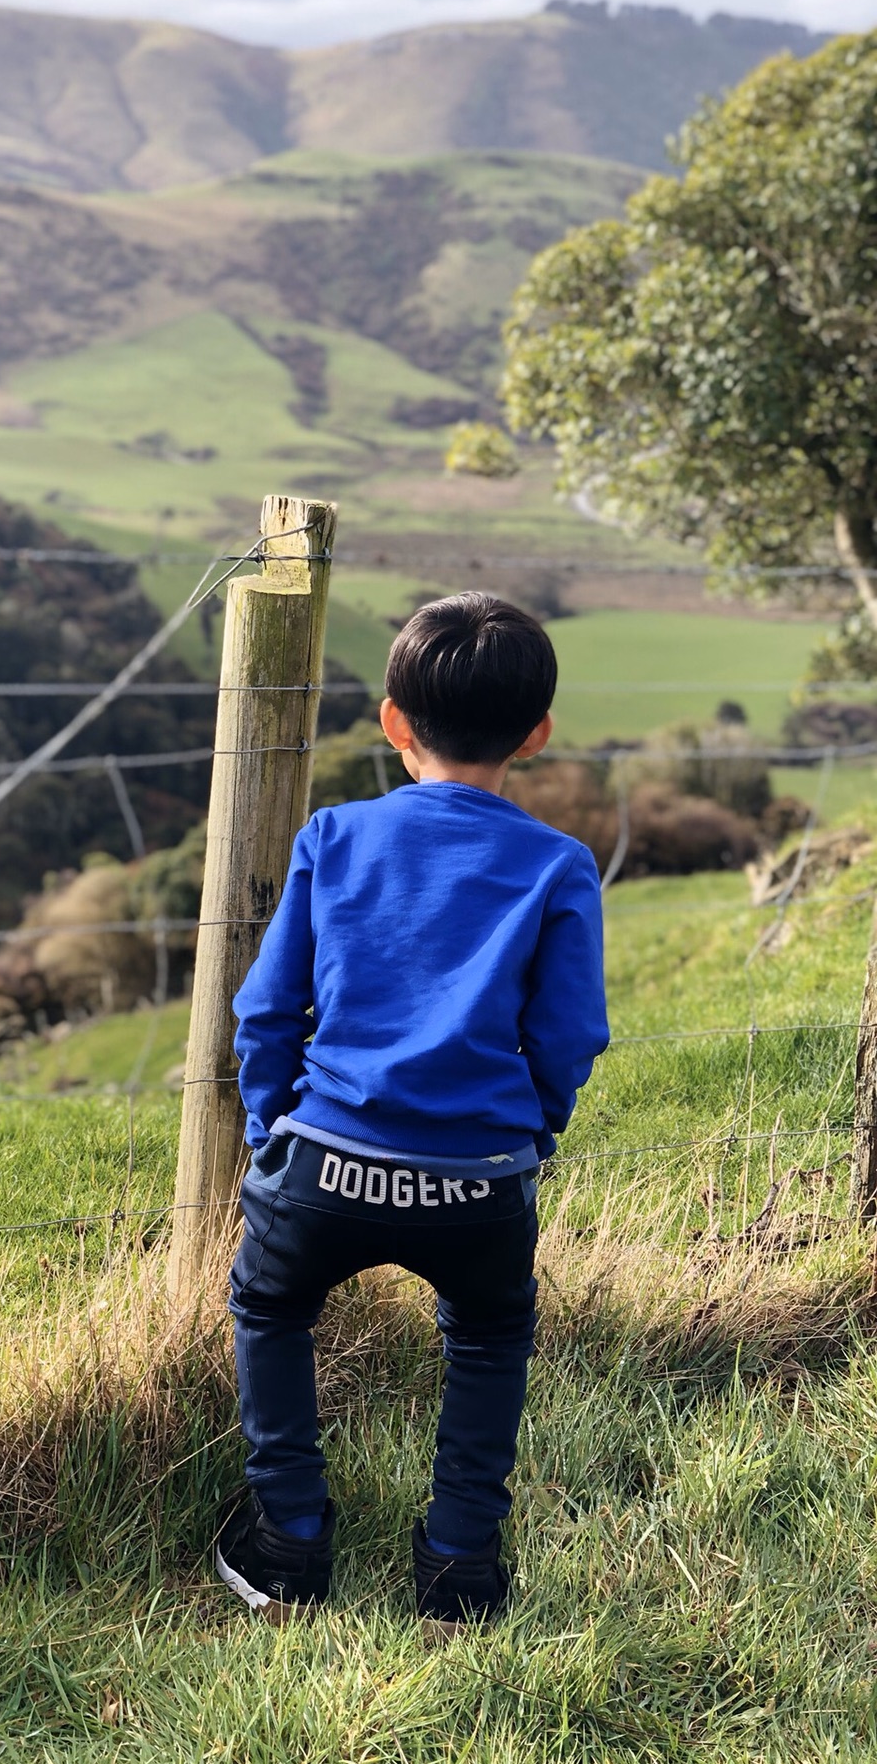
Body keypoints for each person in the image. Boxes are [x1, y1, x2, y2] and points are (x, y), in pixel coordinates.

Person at [214, 592, 608, 1628]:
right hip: (480, 1180)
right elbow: (568, 1037)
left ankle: (288, 1543)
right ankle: (459, 1568)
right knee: (487, 1340)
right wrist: (531, 1139)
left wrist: (269, 1136)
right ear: (536, 735)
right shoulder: (561, 867)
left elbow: (266, 1010)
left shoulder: (334, 836)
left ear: (393, 722)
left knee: (269, 1307)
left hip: (324, 1161)